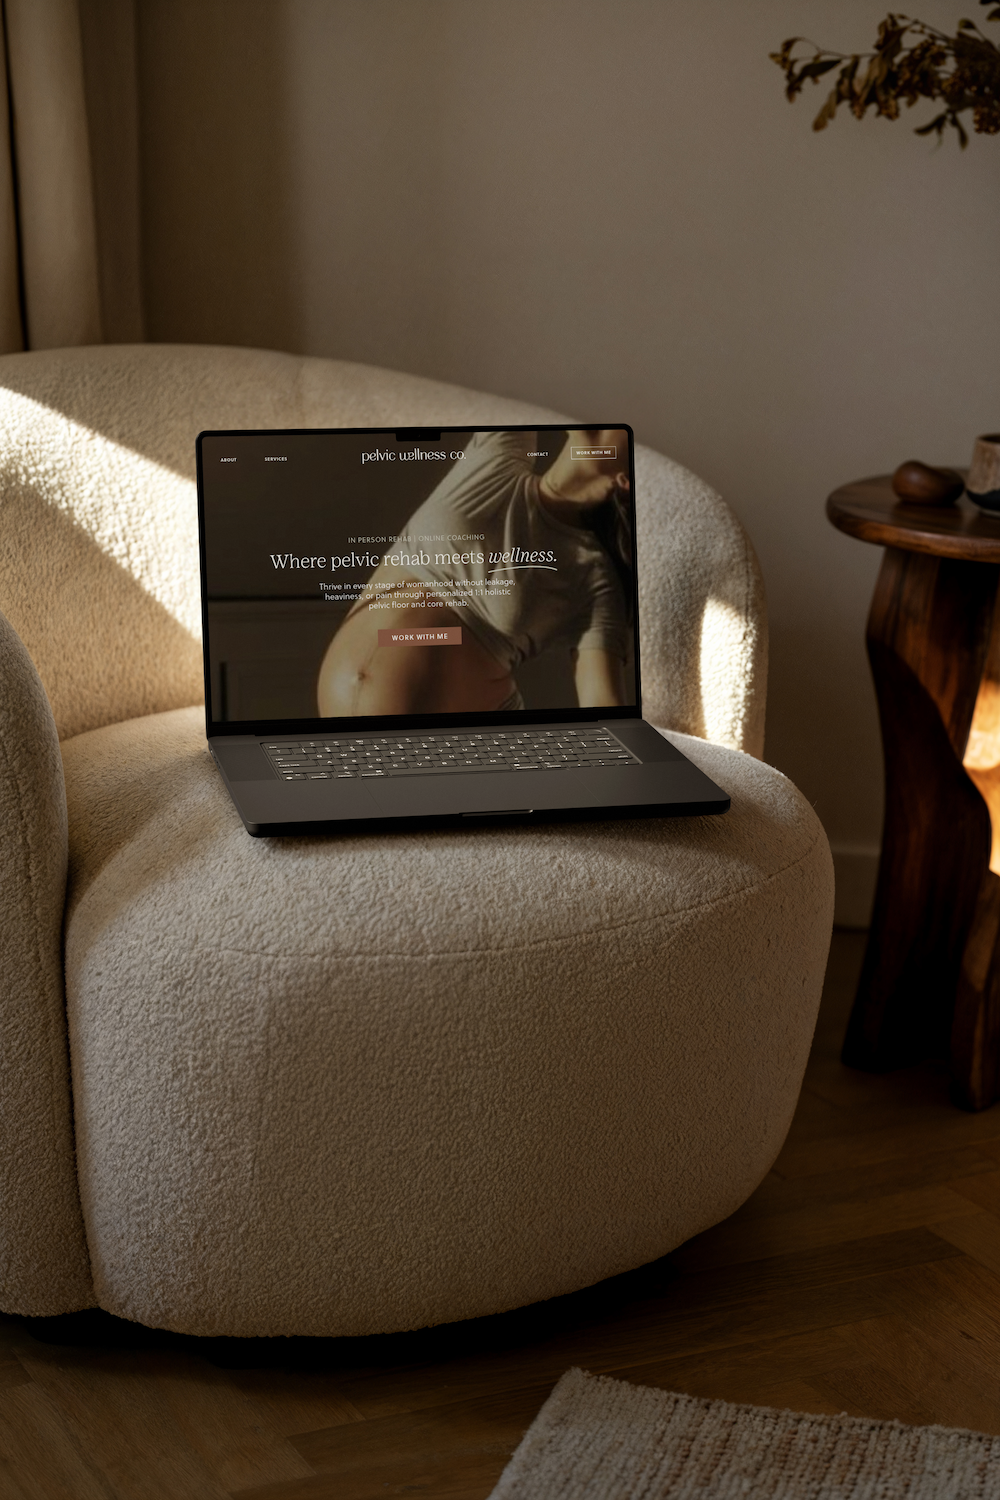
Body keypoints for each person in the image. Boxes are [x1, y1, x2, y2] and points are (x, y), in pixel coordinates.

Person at [316, 428, 633, 717]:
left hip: (454, 750)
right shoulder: (501, 451)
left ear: (626, 478)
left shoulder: (594, 577)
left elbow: (602, 705)